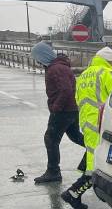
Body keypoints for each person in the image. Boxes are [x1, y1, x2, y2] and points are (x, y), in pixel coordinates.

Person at [61, 46, 112, 209]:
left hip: (87, 122)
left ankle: (75, 193)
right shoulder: (106, 73)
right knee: (95, 165)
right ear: (109, 61)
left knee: (93, 156)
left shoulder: (84, 74)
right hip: (103, 123)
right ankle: (73, 192)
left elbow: (78, 98)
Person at [31, 41, 85, 183]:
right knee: (75, 136)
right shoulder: (59, 66)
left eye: (37, 58)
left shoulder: (56, 69)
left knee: (50, 139)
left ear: (42, 56)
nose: (37, 61)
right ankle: (98, 150)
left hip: (63, 111)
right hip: (71, 109)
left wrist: (56, 107)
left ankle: (53, 171)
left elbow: (66, 90)